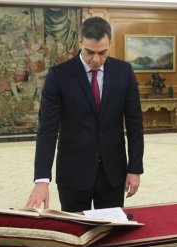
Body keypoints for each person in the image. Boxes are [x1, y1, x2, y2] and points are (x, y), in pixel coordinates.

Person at [25, 17, 144, 212]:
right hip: (73, 173)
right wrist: (41, 180)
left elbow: (135, 124)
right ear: (80, 42)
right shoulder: (59, 76)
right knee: (74, 234)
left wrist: (135, 168)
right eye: (90, 52)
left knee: (111, 234)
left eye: (102, 53)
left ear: (110, 45)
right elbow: (47, 129)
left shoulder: (124, 72)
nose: (96, 60)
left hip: (113, 173)